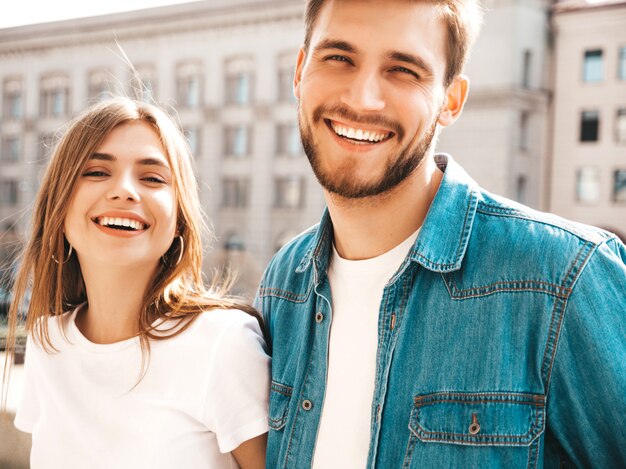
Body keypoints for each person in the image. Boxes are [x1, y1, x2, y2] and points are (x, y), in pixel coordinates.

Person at [254, 1, 626, 468]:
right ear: (300, 72)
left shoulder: (564, 279)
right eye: (339, 58)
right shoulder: (282, 283)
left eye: (403, 70)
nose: (363, 98)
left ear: (451, 100)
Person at [2, 97, 269, 469]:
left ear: (179, 220)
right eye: (96, 172)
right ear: (59, 207)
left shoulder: (221, 342)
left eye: (153, 178)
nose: (124, 190)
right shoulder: (47, 341)